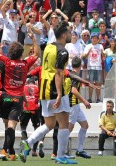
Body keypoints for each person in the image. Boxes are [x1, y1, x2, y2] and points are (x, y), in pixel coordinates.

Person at [20, 21, 78, 164]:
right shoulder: (63, 51)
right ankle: (61, 155)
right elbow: (59, 74)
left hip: (44, 91)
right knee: (64, 123)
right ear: (64, 35)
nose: (71, 35)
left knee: (49, 124)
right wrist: (59, 94)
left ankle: (28, 142)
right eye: (69, 32)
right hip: (55, 90)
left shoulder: (48, 46)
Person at [0, 22, 38, 160]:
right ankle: (8, 151)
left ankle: (8, 150)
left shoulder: (6, 62)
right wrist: (33, 39)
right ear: (21, 53)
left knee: (6, 125)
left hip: (4, 97)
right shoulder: (25, 64)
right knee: (11, 126)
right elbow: (37, 53)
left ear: (10, 52)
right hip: (17, 98)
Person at [67, 56, 92, 159]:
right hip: (72, 104)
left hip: (76, 105)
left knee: (85, 125)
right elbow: (73, 90)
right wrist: (85, 101)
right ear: (81, 65)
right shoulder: (75, 75)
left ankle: (79, 150)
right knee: (69, 128)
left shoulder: (71, 73)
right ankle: (62, 151)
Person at [20, 77, 41, 157]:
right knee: (37, 129)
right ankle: (34, 151)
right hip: (34, 109)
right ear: (34, 83)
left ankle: (26, 144)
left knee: (23, 127)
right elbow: (40, 99)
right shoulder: (37, 88)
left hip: (25, 109)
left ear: (27, 83)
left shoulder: (23, 87)